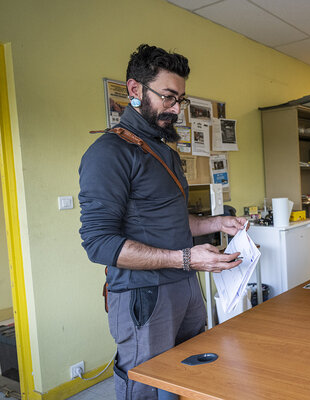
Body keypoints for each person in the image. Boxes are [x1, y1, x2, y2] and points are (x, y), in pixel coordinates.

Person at [79, 44, 246, 399]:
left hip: (184, 284)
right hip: (144, 293)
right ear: (136, 90)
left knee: (190, 373)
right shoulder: (109, 153)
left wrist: (216, 223)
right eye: (168, 97)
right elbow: (98, 243)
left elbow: (170, 220)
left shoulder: (164, 150)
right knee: (147, 383)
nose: (175, 108)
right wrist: (186, 258)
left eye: (181, 100)